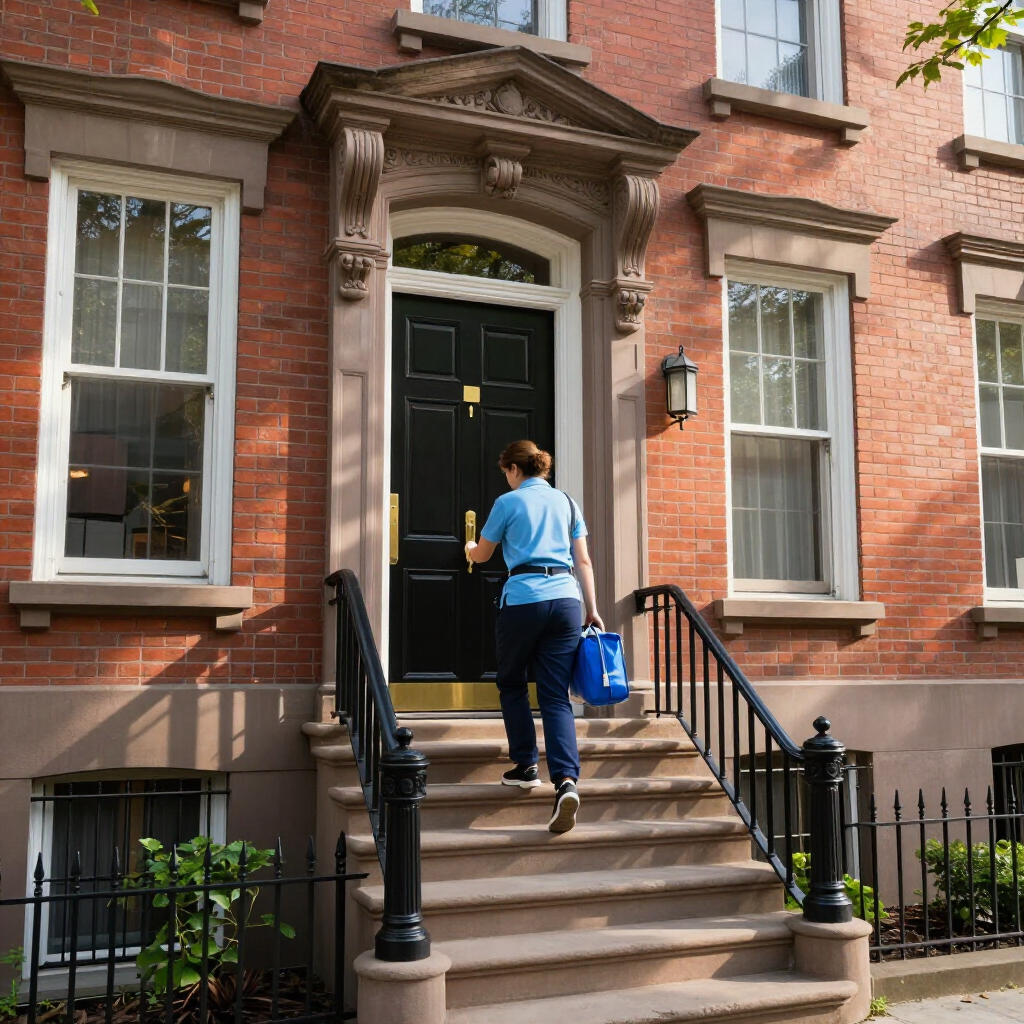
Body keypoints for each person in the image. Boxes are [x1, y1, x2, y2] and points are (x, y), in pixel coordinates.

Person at [465, 440, 604, 834]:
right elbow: (584, 560)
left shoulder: (507, 504)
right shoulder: (566, 502)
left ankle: (526, 766)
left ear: (513, 469)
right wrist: (591, 609)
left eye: (505, 472)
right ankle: (566, 782)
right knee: (555, 695)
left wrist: (471, 546)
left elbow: (484, 555)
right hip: (566, 600)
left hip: (523, 598)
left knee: (511, 682)